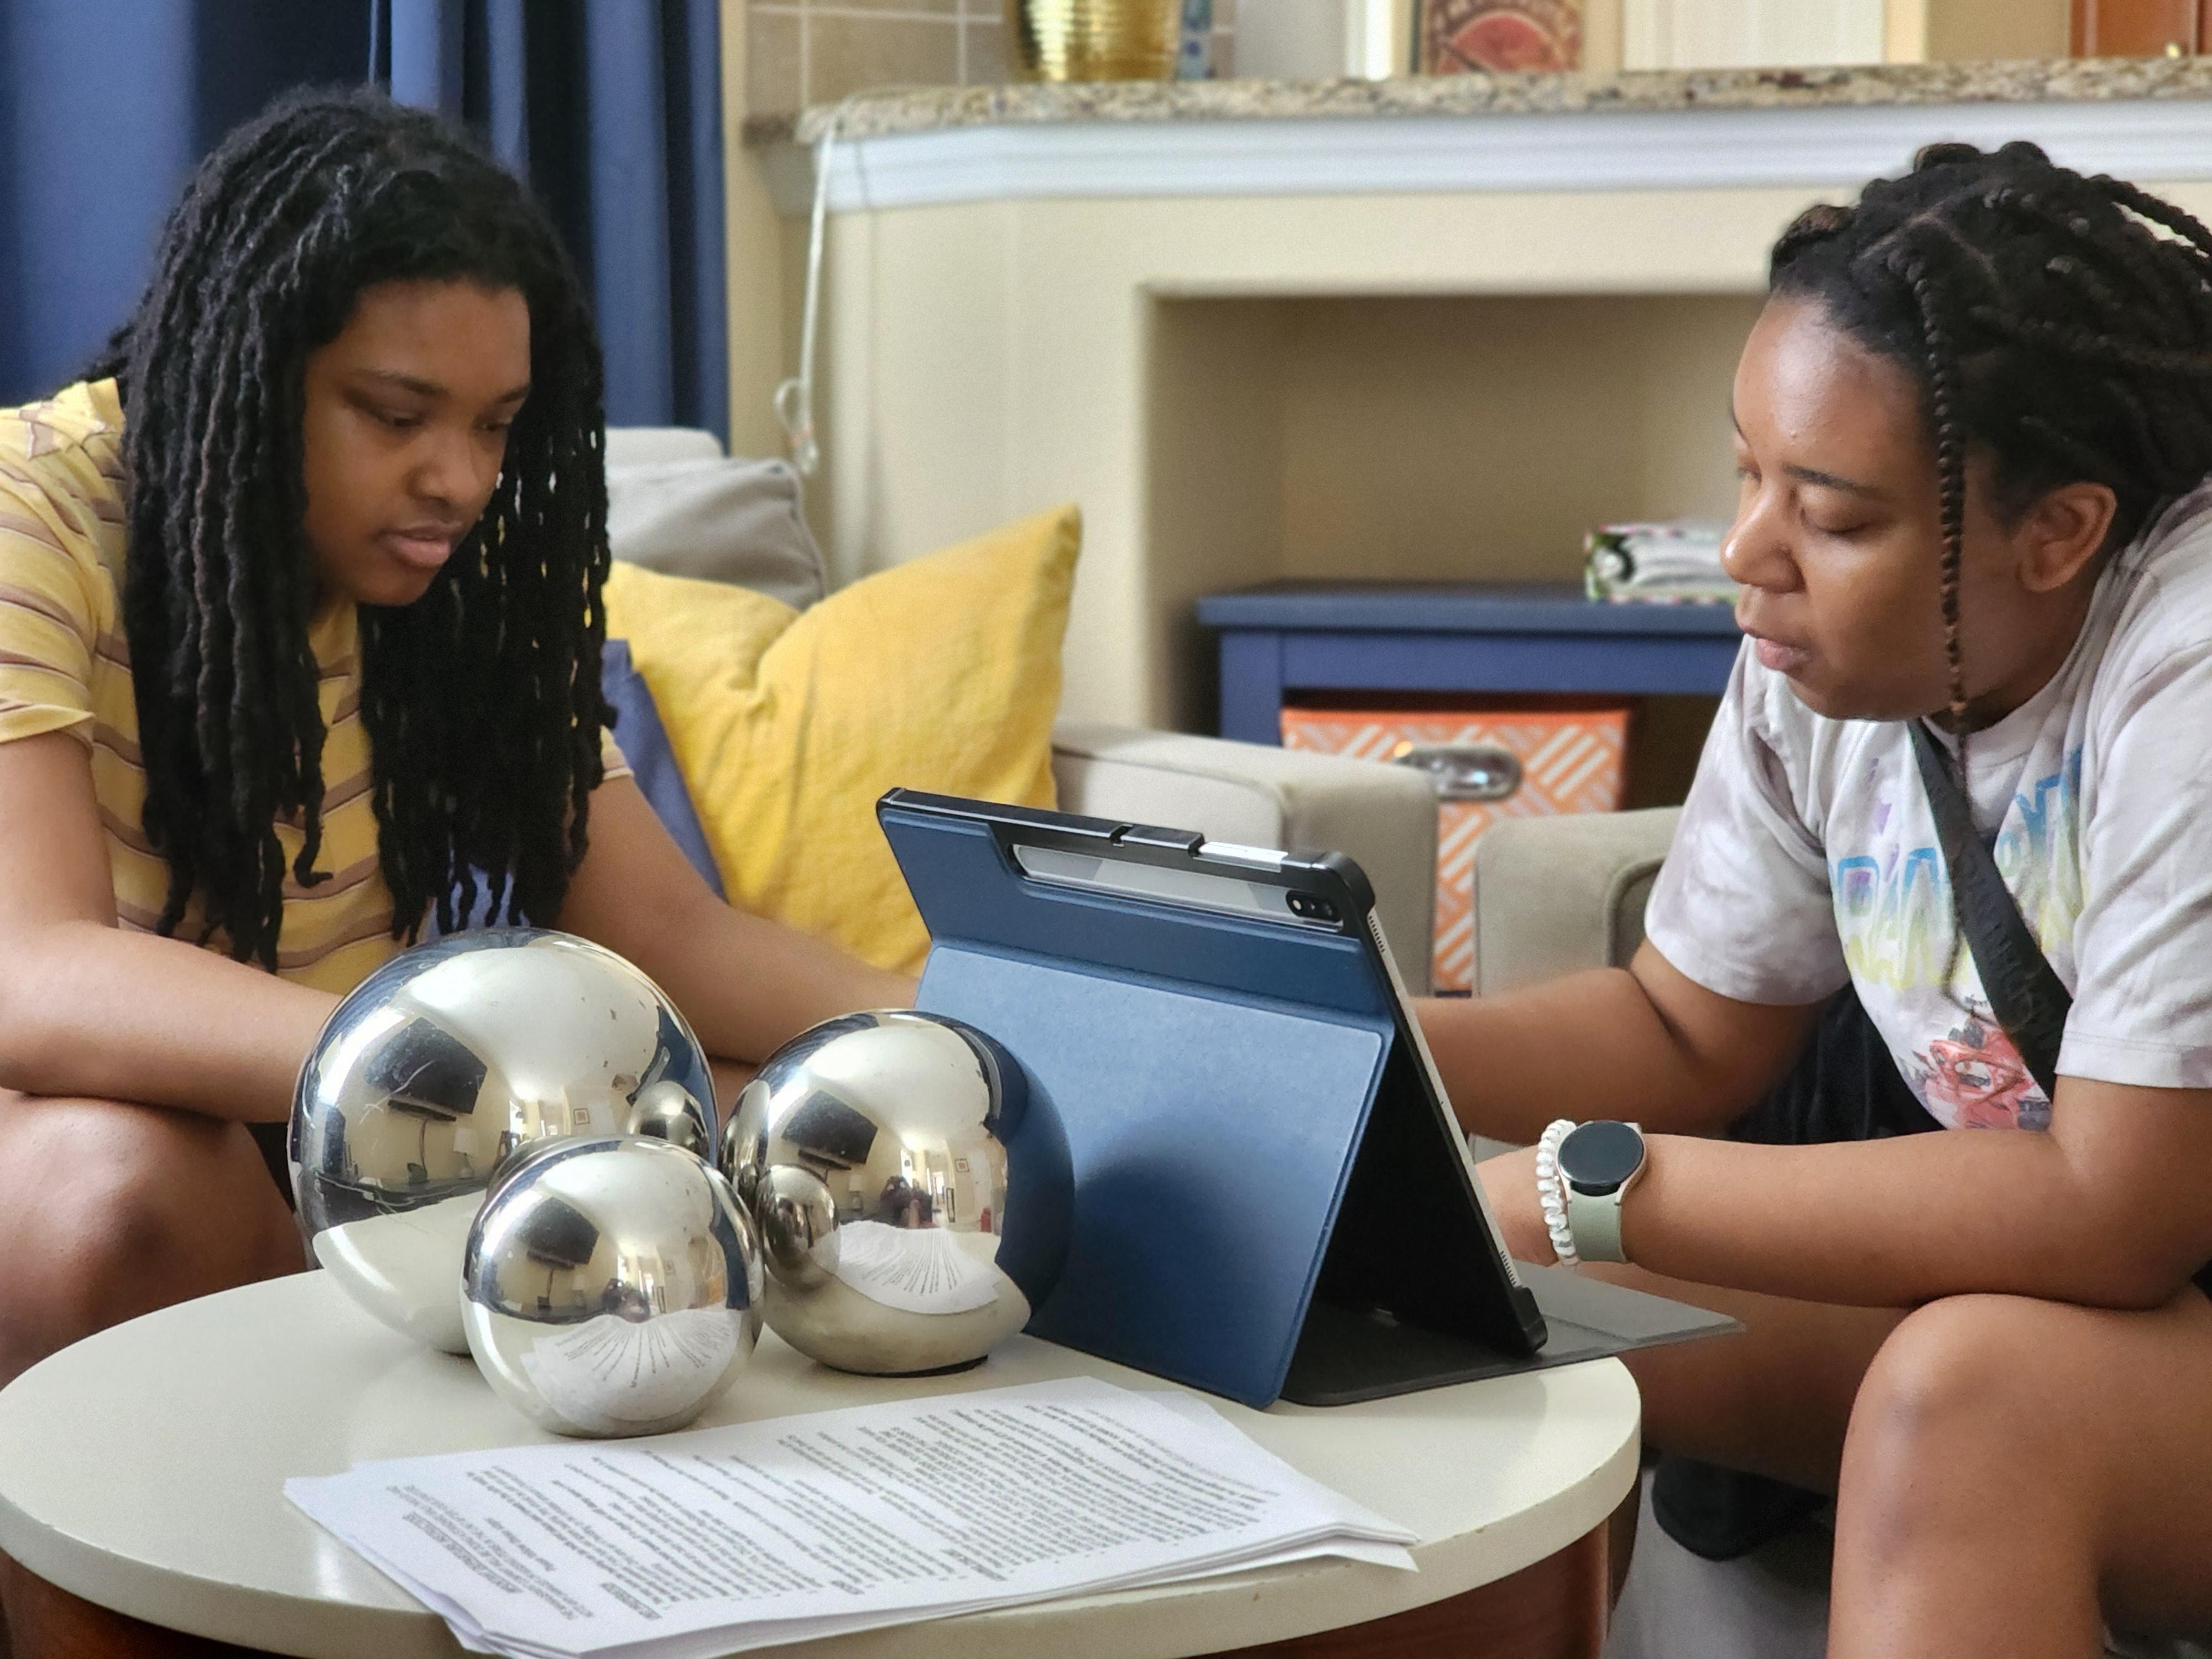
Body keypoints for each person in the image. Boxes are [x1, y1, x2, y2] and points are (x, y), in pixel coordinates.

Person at [1422, 140, 2212, 1656]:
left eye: (1835, 518)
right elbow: (1681, 1024)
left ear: (2063, 531)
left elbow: (2112, 1208)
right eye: (1748, 474)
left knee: (1972, 1395)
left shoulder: (2188, 661)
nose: (1748, 553)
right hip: (2082, 1307)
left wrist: (1592, 1185)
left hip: (2128, 1302)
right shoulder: (1824, 658)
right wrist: (1360, 1045)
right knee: (1465, 1287)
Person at [0, 90, 911, 1399]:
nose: (462, 481)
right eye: (396, 413)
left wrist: (989, 1036)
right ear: (252, 376)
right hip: (116, 1130)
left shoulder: (456, 570)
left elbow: (678, 940)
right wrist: (463, 1089)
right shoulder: (29, 517)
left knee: (801, 1124)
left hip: (365, 1138)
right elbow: (30, 975)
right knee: (120, 1187)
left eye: (492, 426)